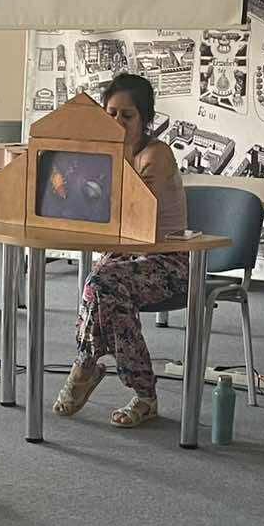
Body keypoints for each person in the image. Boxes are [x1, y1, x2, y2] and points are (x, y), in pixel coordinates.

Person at [53, 73, 187, 429]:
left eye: (127, 116)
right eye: (110, 114)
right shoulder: (106, 155)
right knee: (102, 288)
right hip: (122, 259)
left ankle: (86, 366)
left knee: (102, 285)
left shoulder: (156, 154)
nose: (117, 122)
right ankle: (143, 394)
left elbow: (132, 211)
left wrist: (113, 157)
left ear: (145, 119)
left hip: (167, 260)